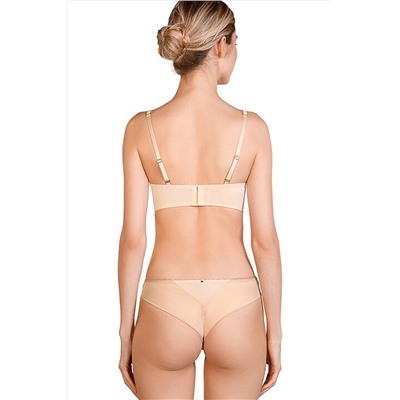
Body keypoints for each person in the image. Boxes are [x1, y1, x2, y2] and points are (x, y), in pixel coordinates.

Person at [118, 1, 282, 398]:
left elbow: (134, 240)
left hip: (165, 303)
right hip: (237, 304)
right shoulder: (252, 130)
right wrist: (274, 333)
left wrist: (125, 332)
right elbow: (264, 241)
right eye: (236, 43)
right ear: (221, 46)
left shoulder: (140, 129)